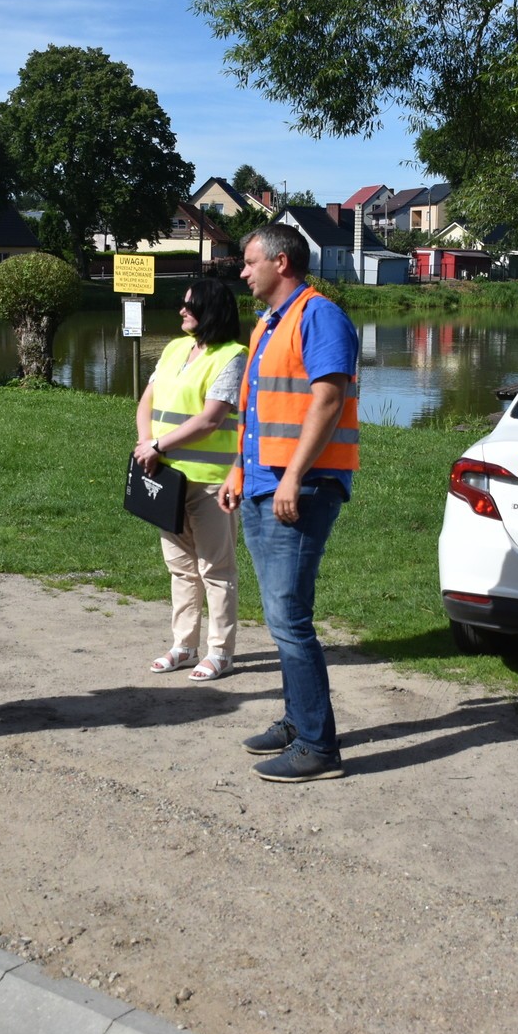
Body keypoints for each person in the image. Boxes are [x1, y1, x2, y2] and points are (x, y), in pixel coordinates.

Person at [218, 225, 360, 782]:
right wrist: (239, 469)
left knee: (289, 616)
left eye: (249, 261)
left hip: (301, 486)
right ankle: (298, 721)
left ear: (281, 263)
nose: (242, 271)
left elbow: (329, 399)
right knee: (281, 616)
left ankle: (318, 747)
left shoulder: (319, 316)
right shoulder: (269, 323)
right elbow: (256, 409)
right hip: (262, 482)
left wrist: (293, 475)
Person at [134, 278, 248, 681]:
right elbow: (147, 401)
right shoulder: (174, 348)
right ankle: (184, 646)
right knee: (181, 568)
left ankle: (220, 652)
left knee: (216, 569)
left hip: (210, 482)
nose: (182, 311)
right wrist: (145, 444)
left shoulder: (233, 356)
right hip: (167, 477)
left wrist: (157, 445)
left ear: (211, 311)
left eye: (190, 305)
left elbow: (211, 419)